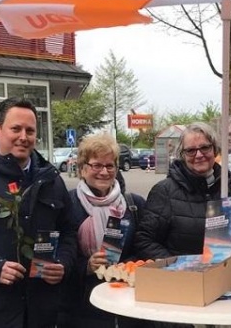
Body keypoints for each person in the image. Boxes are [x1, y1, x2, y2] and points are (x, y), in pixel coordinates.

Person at [0, 97, 77, 328]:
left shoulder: (52, 181)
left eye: (30, 130)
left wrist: (63, 263)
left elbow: (69, 232)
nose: (24, 137)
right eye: (16, 129)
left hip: (41, 314)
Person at [59, 133, 146, 328]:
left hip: (127, 305)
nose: (104, 172)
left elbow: (144, 248)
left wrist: (125, 266)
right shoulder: (67, 205)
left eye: (109, 165)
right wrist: (86, 266)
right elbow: (59, 257)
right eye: (96, 165)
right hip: (83, 307)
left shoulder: (134, 205)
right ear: (82, 168)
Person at [135, 122, 231, 259]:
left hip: (219, 276)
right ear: (182, 155)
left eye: (205, 147)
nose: (198, 155)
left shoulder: (229, 192)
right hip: (180, 278)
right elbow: (144, 240)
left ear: (214, 149)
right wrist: (177, 265)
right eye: (190, 150)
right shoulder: (164, 191)